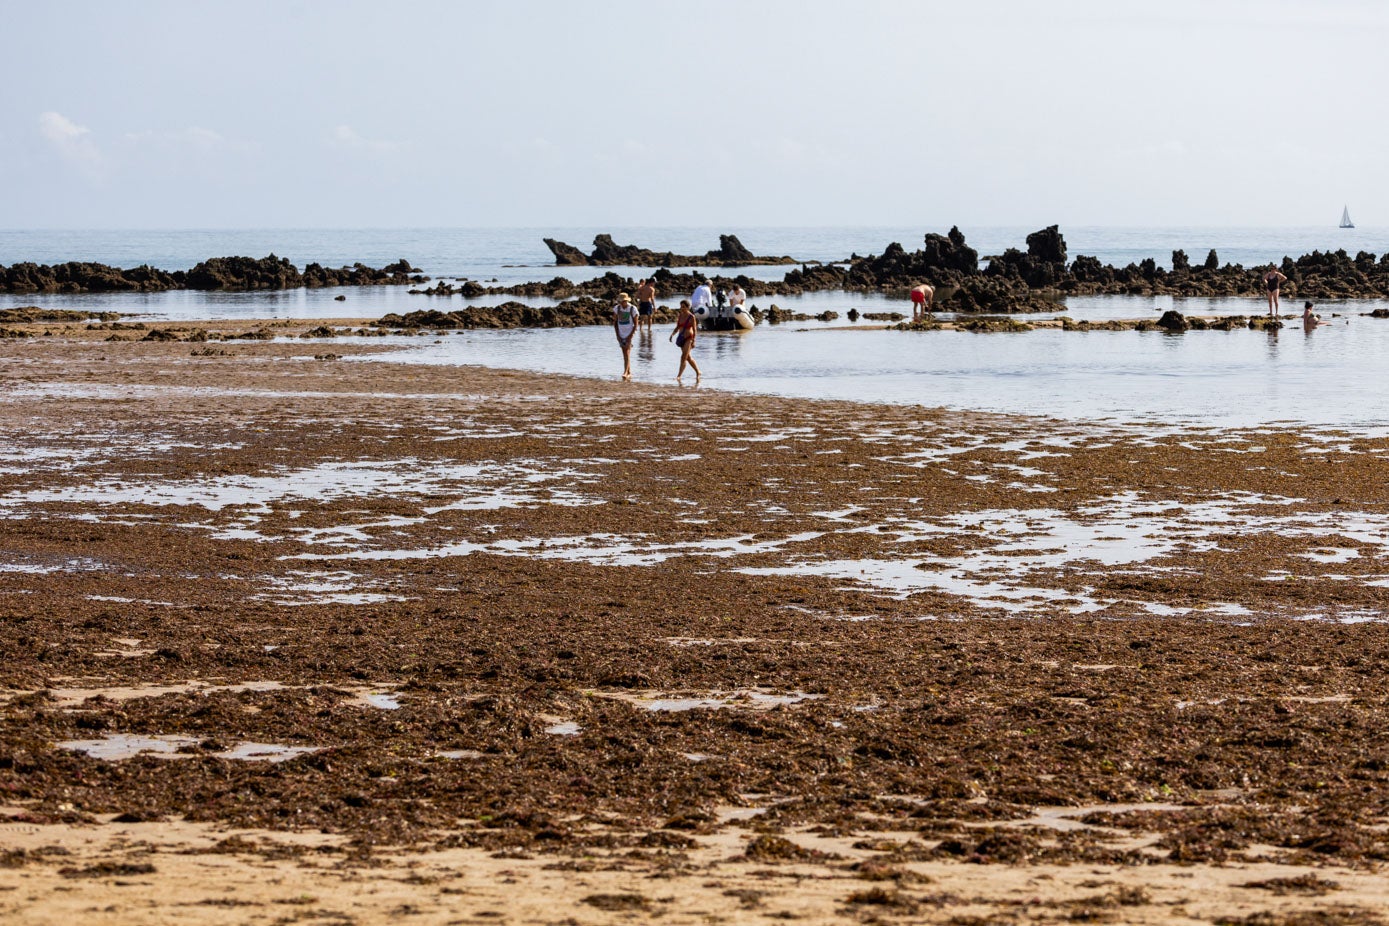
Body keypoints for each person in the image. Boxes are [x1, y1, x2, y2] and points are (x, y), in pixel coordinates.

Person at [669, 298, 701, 381]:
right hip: (681, 338)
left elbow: (694, 329)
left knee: (683, 357)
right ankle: (698, 372)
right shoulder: (680, 315)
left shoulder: (691, 317)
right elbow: (678, 327)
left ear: (688, 307)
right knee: (688, 358)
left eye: (683, 307)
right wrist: (672, 334)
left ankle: (679, 376)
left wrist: (694, 340)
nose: (682, 308)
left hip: (689, 338)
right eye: (681, 306)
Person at [612, 292, 638, 379]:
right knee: (625, 353)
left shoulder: (632, 309)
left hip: (629, 334)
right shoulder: (617, 308)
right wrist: (617, 335)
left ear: (626, 301)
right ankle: (629, 372)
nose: (621, 303)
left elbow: (636, 324)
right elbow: (615, 323)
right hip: (621, 334)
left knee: (627, 352)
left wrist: (631, 336)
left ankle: (625, 372)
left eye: (622, 301)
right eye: (620, 301)